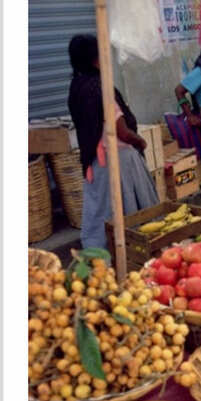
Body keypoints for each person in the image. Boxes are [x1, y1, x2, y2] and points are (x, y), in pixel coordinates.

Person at [67, 34, 160, 250]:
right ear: (95, 60)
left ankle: (100, 257)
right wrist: (141, 142)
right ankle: (134, 251)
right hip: (119, 162)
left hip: (95, 162)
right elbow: (123, 132)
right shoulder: (102, 88)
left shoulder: (77, 87)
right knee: (134, 212)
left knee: (100, 212)